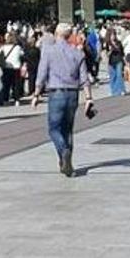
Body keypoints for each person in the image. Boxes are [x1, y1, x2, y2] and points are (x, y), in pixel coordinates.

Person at [32, 24, 94, 177]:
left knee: (54, 128)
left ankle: (63, 151)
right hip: (73, 94)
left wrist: (36, 94)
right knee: (68, 129)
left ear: (56, 34)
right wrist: (88, 98)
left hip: (56, 92)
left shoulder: (48, 51)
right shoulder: (77, 53)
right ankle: (67, 164)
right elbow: (84, 79)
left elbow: (42, 74)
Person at [0, 33, 24, 105]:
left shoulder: (3, 47)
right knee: (16, 85)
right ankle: (17, 99)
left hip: (6, 67)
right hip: (16, 67)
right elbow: (22, 54)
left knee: (6, 84)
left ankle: (5, 99)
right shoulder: (18, 47)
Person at [105, 30, 126, 97]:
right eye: (111, 35)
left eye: (114, 35)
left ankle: (121, 90)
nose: (113, 36)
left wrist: (125, 60)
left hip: (119, 60)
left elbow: (122, 52)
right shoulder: (108, 44)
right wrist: (110, 50)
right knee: (113, 77)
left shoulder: (118, 42)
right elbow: (107, 54)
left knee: (119, 75)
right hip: (111, 62)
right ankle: (113, 90)